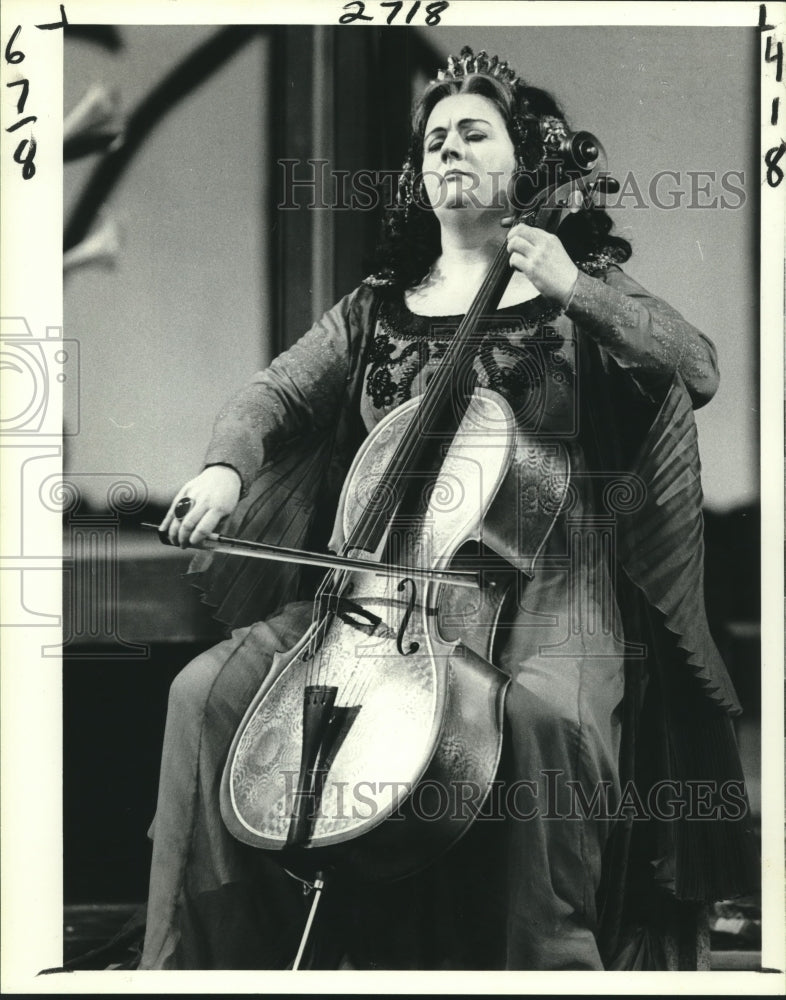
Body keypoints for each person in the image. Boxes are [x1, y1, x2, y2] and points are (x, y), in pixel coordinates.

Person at [140, 47, 757, 971]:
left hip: (546, 578)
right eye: (434, 141)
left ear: (528, 166)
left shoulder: (571, 292)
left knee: (542, 719)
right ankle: (206, 968)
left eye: (475, 133)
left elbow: (697, 366)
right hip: (377, 593)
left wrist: (573, 286)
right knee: (205, 694)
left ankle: (546, 964)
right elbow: (269, 397)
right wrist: (225, 470)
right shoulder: (376, 306)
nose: (448, 152)